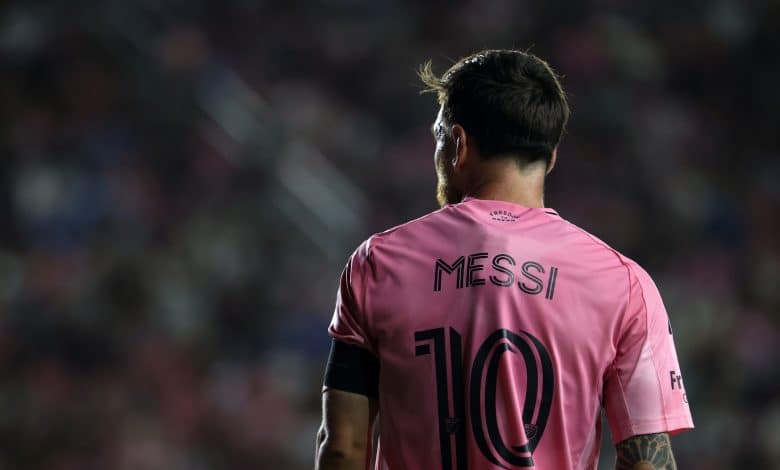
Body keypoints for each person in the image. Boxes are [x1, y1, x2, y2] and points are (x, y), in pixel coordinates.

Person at [314, 49, 693, 470]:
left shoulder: (378, 264)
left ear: (456, 144)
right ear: (550, 157)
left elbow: (343, 447)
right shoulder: (623, 285)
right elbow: (648, 464)